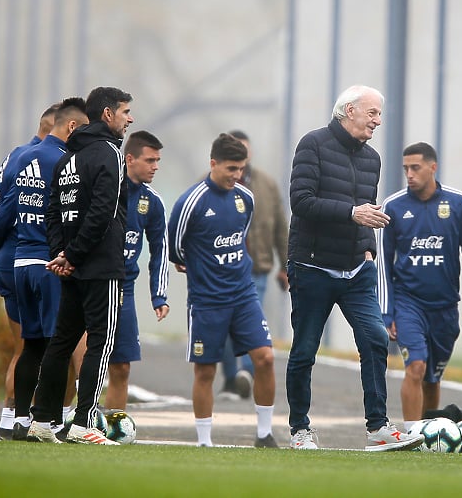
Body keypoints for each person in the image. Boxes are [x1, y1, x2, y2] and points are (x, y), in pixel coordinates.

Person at [285, 84, 423, 452]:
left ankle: (377, 427)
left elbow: (367, 212)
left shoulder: (372, 159)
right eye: (372, 113)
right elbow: (301, 202)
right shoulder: (311, 144)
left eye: (379, 114)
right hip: (312, 267)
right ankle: (300, 429)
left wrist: (368, 251)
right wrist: (350, 213)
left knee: (376, 339)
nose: (378, 120)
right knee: (305, 350)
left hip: (356, 270)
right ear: (348, 110)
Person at [27, 86, 134, 445]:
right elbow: (103, 212)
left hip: (72, 265)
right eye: (125, 112)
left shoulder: (67, 158)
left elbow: (52, 211)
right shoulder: (109, 153)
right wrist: (72, 255)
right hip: (100, 265)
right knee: (100, 344)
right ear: (107, 114)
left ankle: (41, 422)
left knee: (61, 343)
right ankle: (84, 423)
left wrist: (62, 255)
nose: (129, 119)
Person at [168, 134, 278, 448]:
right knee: (205, 371)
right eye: (231, 168)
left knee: (266, 358)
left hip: (244, 295)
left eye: (241, 168)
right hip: (207, 300)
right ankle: (204, 441)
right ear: (213, 163)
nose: (237, 175)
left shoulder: (246, 197)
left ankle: (264, 434)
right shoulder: (191, 201)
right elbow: (176, 251)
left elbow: (240, 236)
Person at [0, 98, 89, 442]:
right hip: (49, 264)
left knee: (30, 345)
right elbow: (68, 215)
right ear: (72, 126)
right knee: (56, 347)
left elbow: (1, 214)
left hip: (19, 261)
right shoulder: (62, 161)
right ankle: (48, 422)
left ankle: (18, 420)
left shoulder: (21, 157)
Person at [375, 142, 462, 432]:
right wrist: (386, 312)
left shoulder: (459, 203)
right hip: (408, 304)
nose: (409, 174)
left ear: (433, 167)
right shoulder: (393, 206)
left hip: (446, 308)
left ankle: (430, 435)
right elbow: (382, 263)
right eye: (405, 169)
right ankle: (411, 435)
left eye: (415, 168)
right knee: (416, 367)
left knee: (433, 377)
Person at [0, 103, 58, 440]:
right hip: (29, 257)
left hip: (9, 258)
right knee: (46, 347)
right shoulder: (37, 159)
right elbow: (8, 211)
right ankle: (51, 421)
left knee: (25, 347)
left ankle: (8, 421)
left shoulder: (13, 155)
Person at [220, 129, 289, 400]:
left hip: (256, 268)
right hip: (222, 270)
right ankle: (230, 379)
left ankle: (247, 374)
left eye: (245, 151)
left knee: (250, 322)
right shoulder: (207, 185)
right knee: (225, 327)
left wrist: (285, 266)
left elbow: (281, 228)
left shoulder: (267, 185)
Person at [104, 130, 170, 410]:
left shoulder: (152, 201)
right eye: (150, 160)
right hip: (92, 283)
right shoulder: (104, 189)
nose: (155, 166)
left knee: (121, 367)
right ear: (129, 158)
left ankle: (114, 426)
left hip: (124, 290)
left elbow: (160, 250)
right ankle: (64, 420)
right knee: (80, 361)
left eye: (157, 161)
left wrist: (159, 296)